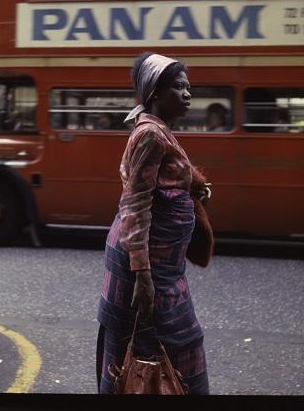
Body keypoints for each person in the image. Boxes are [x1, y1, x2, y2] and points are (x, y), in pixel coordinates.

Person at [96, 52, 211, 395]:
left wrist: (192, 184)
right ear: (155, 94)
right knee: (162, 348)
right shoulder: (150, 134)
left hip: (165, 269)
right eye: (179, 87)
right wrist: (143, 276)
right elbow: (135, 202)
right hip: (150, 271)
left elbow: (158, 181)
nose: (188, 94)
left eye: (189, 87)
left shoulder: (158, 131)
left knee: (164, 347)